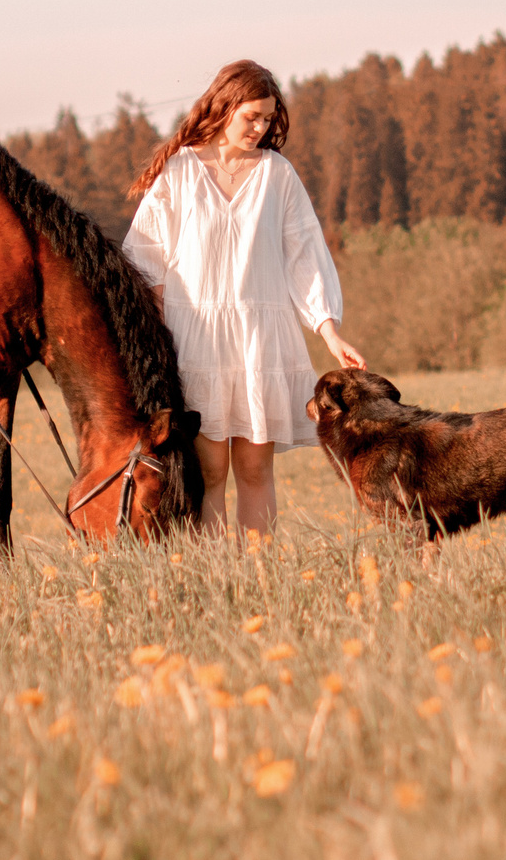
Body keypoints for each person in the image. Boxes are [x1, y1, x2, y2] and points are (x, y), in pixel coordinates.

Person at [121, 60, 366, 539]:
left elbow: (305, 256)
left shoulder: (278, 175)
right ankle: (217, 583)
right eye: (251, 116)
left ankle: (258, 579)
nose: (261, 127)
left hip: (259, 342)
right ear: (224, 106)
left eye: (268, 118)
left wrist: (329, 331)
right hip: (196, 345)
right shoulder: (181, 171)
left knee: (255, 472)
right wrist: (151, 342)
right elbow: (145, 258)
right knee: (208, 475)